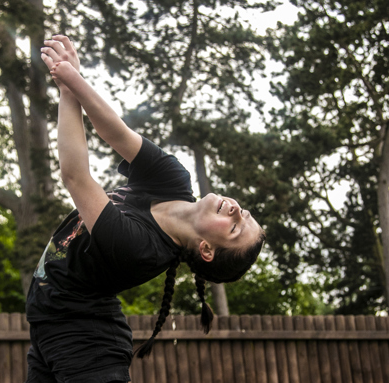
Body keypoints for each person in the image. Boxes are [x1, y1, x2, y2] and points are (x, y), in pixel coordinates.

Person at [25, 35, 266, 383]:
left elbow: (75, 176)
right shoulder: (174, 180)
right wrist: (73, 79)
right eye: (244, 214)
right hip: (51, 325)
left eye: (235, 227)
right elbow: (116, 133)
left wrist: (67, 88)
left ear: (207, 249)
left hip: (86, 344)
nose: (236, 211)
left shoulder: (142, 250)